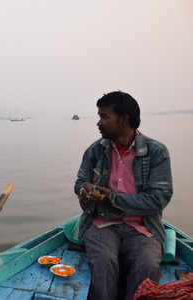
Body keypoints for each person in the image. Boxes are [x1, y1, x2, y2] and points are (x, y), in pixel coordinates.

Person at [74, 91, 173, 300]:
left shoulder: (156, 152)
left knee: (146, 265)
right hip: (102, 224)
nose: (98, 123)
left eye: (104, 116)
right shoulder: (95, 151)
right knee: (103, 262)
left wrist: (111, 198)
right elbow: (79, 183)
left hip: (143, 227)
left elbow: (158, 200)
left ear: (124, 120)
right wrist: (84, 191)